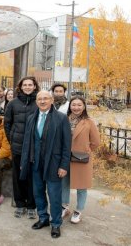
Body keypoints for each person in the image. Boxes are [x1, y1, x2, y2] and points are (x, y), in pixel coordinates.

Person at [20, 90, 71, 239]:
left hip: (54, 164)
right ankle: (43, 217)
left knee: (55, 195)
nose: (42, 101)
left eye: (45, 99)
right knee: (38, 192)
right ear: (36, 102)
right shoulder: (31, 118)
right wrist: (24, 162)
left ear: (51, 100)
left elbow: (67, 145)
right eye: (40, 99)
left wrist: (63, 166)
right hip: (35, 162)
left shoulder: (61, 118)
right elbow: (26, 143)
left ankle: (56, 223)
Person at [4, 76, 40, 219]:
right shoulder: (12, 104)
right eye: (25, 85)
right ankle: (20, 204)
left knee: (32, 177)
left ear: (34, 86)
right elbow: (7, 124)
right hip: (17, 146)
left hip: (33, 147)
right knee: (18, 176)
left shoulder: (39, 102)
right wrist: (12, 140)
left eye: (30, 84)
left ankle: (31, 205)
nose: (27, 87)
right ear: (20, 87)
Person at [61, 96, 100, 224]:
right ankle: (64, 207)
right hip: (65, 157)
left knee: (82, 186)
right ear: (70, 106)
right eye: (73, 105)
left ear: (83, 107)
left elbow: (96, 142)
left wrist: (85, 150)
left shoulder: (88, 122)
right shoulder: (64, 119)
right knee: (64, 183)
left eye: (79, 105)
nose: (76, 107)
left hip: (81, 158)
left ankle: (78, 210)